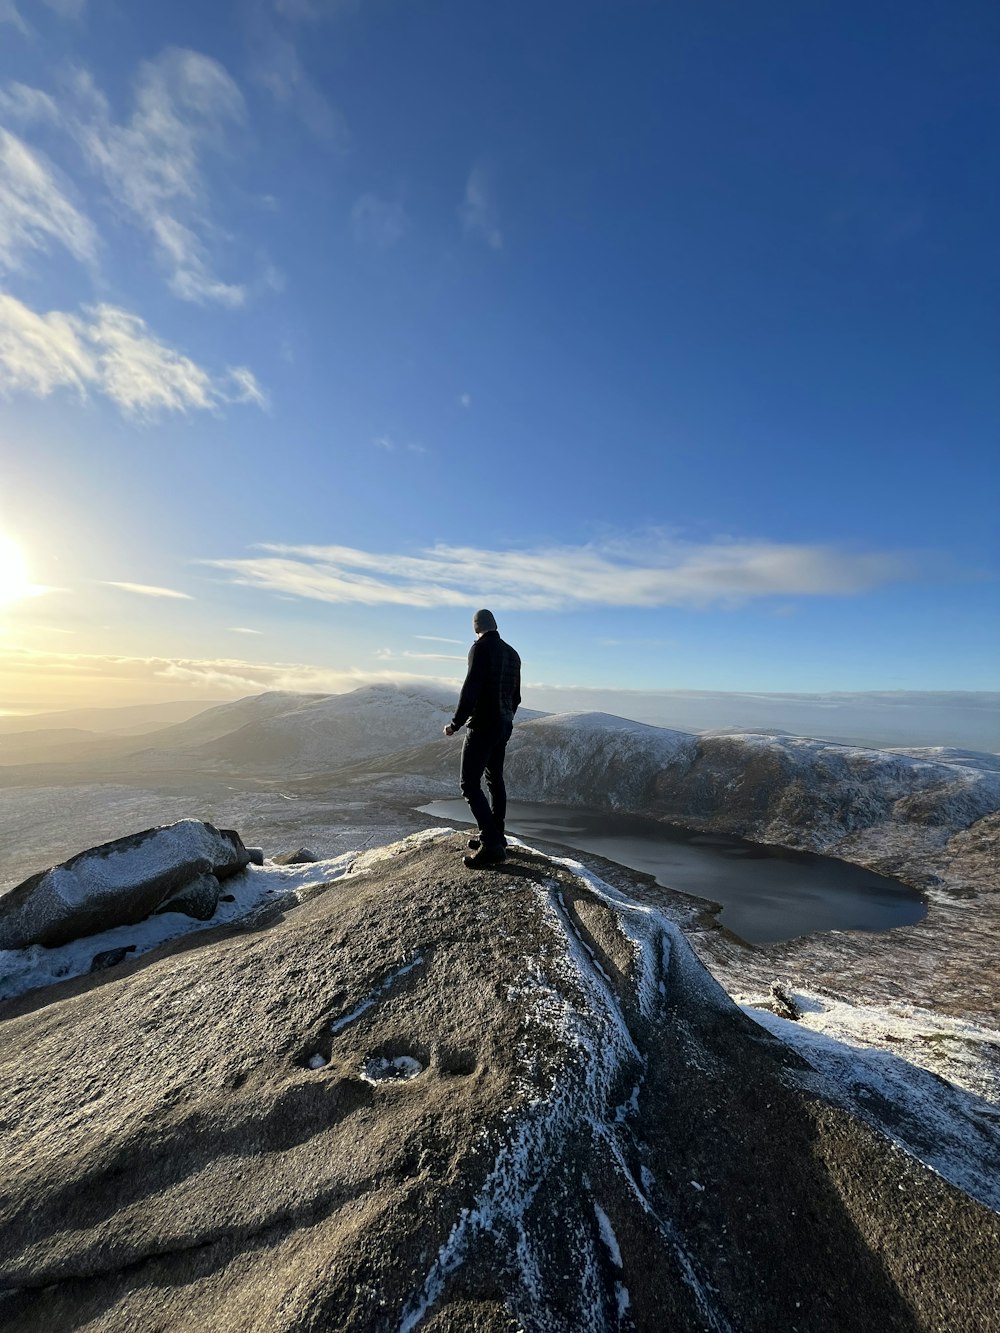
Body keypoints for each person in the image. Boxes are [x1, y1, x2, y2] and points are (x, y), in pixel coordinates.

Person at [443, 608, 521, 868]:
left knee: (468, 784)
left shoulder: (480, 649)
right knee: (495, 780)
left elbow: (471, 689)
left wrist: (456, 723)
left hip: (484, 725)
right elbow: (516, 696)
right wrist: (506, 717)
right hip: (504, 724)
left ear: (476, 627)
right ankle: (497, 835)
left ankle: (491, 844)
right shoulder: (512, 653)